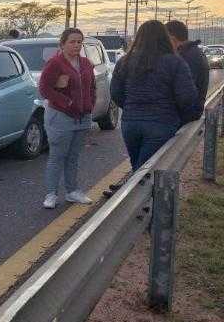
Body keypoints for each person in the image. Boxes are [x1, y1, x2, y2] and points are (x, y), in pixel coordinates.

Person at [108, 20, 201, 187]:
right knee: (146, 173)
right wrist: (177, 114)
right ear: (164, 38)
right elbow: (187, 97)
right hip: (162, 123)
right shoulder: (175, 62)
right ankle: (141, 208)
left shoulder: (125, 61)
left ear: (139, 38)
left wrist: (131, 107)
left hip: (130, 124)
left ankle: (138, 207)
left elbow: (115, 92)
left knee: (139, 168)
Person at [38, 28, 96, 209]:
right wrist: (67, 102)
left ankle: (72, 191)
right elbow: (44, 89)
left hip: (82, 117)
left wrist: (90, 104)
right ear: (62, 44)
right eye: (72, 41)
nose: (76, 45)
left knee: (73, 156)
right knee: (57, 156)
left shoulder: (86, 64)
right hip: (61, 117)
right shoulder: (55, 63)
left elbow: (92, 87)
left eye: (79, 42)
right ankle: (51, 194)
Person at [166, 19, 209, 105]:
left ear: (172, 38)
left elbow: (184, 89)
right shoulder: (191, 52)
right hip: (187, 108)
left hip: (186, 111)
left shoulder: (189, 56)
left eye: (164, 38)